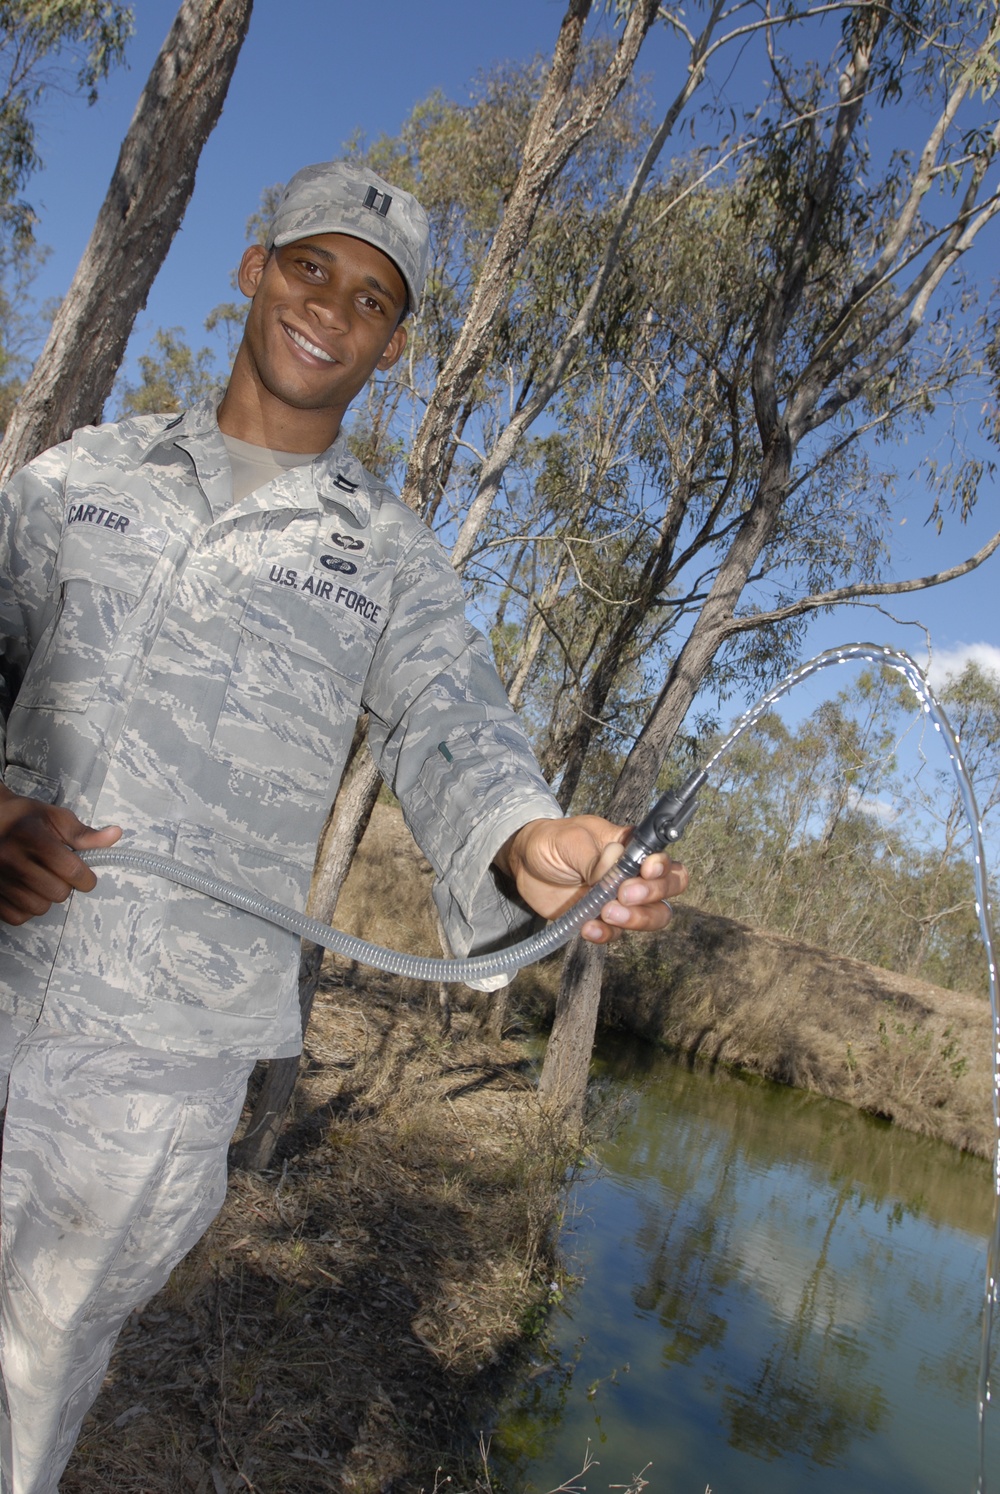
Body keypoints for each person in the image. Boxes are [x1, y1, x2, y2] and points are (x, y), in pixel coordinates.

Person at [0, 160, 687, 1492]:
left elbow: (454, 727)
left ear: (391, 343)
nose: (334, 305)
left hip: (157, 1065)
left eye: (373, 298)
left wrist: (526, 839)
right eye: (312, 264)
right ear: (253, 268)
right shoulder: (82, 474)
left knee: (28, 1373)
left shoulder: (386, 551)